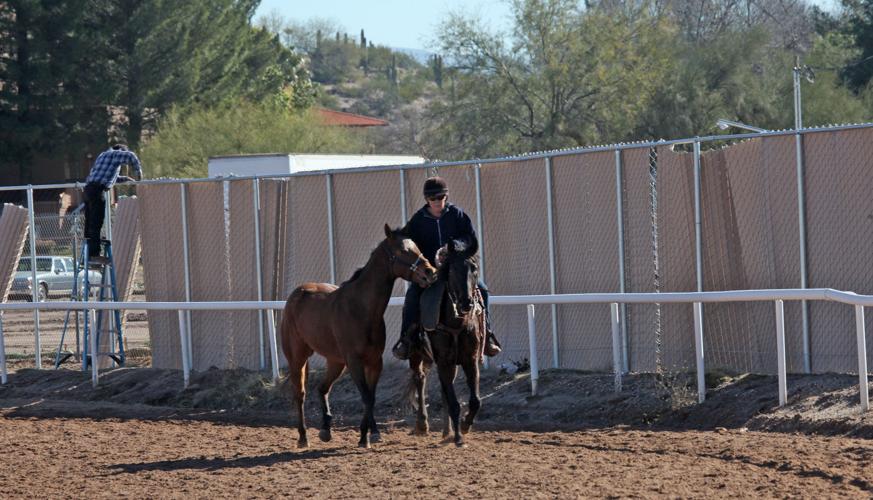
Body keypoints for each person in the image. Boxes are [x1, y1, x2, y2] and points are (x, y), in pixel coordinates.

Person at [392, 176, 502, 360]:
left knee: (483, 290)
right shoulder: (418, 220)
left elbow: (470, 238)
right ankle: (407, 340)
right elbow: (409, 244)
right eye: (433, 198)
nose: (437, 201)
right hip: (431, 272)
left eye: (441, 197)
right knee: (412, 296)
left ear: (446, 196)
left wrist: (453, 247)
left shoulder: (457, 215)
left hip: (456, 270)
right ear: (426, 199)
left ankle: (487, 335)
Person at [83, 144, 143, 263]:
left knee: (89, 223)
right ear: (120, 151)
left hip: (89, 189)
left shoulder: (103, 155)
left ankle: (88, 254)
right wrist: (138, 173)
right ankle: (94, 255)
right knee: (96, 222)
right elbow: (131, 156)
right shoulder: (115, 154)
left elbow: (109, 176)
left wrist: (126, 179)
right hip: (97, 190)